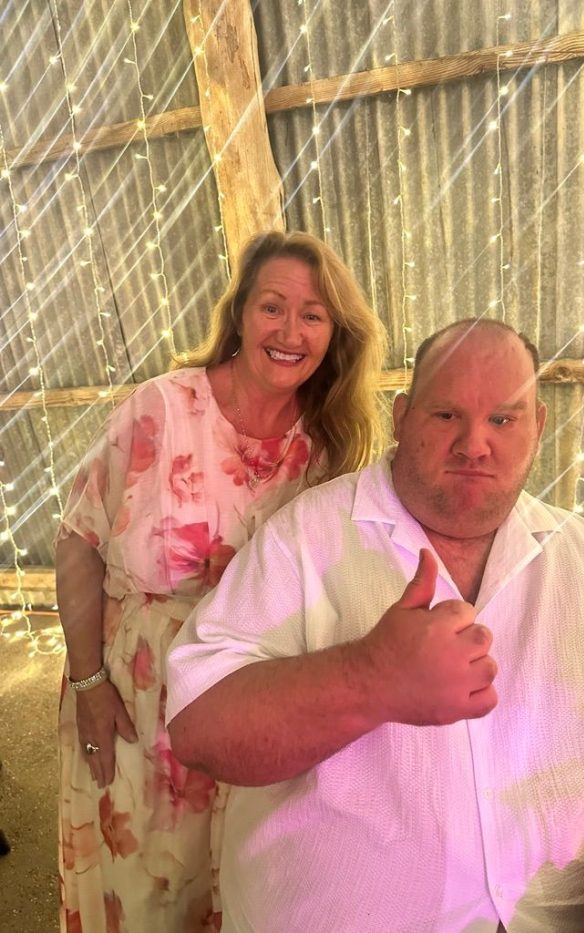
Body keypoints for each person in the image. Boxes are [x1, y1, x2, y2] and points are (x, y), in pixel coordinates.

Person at [166, 318, 584, 933]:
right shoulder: (304, 539)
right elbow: (198, 726)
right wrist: (368, 679)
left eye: (503, 419)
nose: (475, 444)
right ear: (401, 417)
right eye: (446, 415)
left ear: (538, 426)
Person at [55, 230, 386, 933]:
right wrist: (88, 684)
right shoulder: (161, 409)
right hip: (139, 697)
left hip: (255, 699)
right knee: (141, 896)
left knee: (241, 892)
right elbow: (78, 542)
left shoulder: (330, 445)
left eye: (313, 314)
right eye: (273, 307)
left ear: (335, 333)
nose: (290, 332)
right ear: (239, 313)